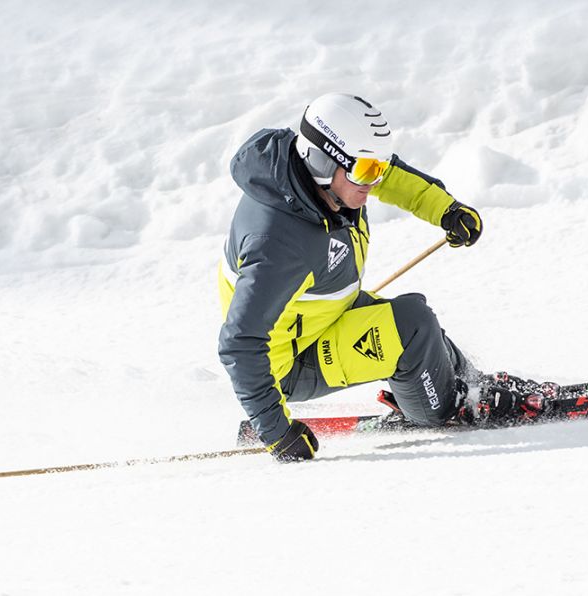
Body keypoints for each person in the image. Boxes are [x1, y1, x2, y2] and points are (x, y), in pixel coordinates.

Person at [218, 93, 551, 462]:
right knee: (411, 329)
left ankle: (472, 385)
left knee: (417, 323)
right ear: (321, 162)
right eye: (364, 172)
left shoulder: (319, 185)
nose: (373, 183)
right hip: (289, 361)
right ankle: (449, 409)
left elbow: (390, 174)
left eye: (375, 170)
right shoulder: (277, 245)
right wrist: (277, 433)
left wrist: (446, 211)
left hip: (317, 317)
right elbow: (240, 343)